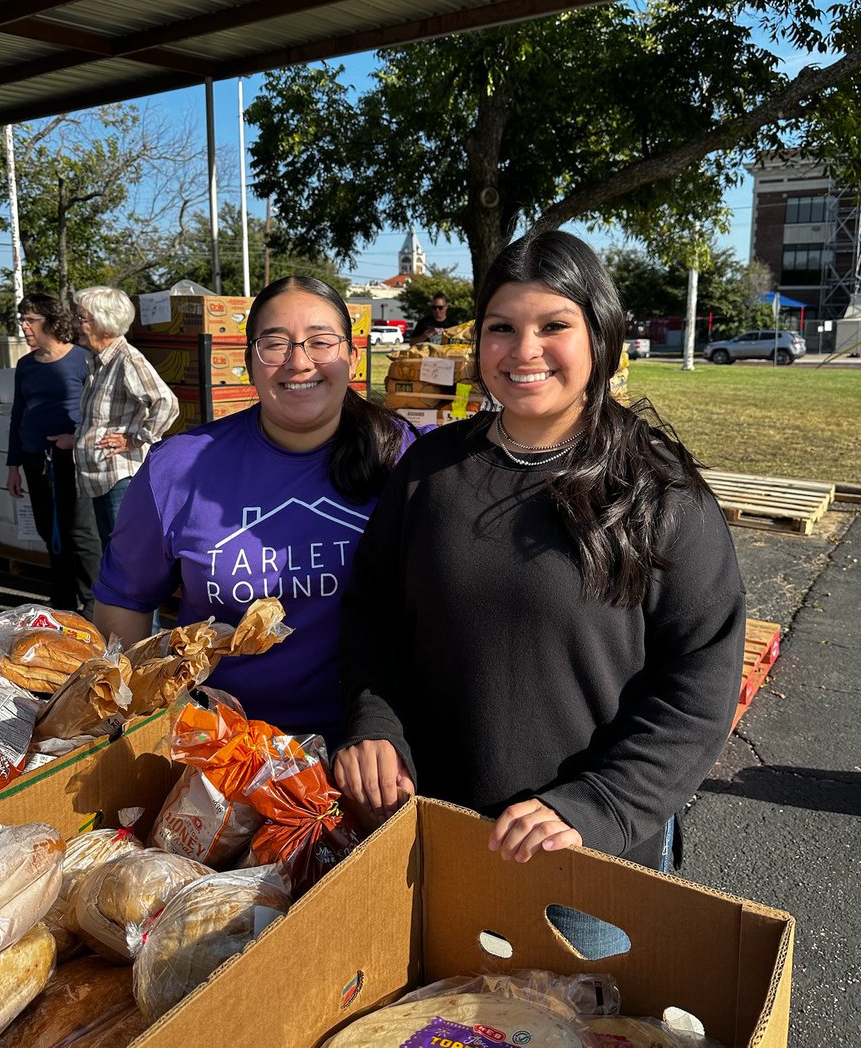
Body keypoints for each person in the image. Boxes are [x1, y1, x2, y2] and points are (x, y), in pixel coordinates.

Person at [335, 230, 745, 875]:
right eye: (501, 328)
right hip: (431, 836)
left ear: (600, 337)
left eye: (554, 324)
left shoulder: (656, 488)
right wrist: (373, 722)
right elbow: (371, 614)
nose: (525, 351)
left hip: (590, 857)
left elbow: (700, 680)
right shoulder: (429, 470)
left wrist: (598, 804)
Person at [91, 276, 418, 748]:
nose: (299, 362)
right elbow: (124, 602)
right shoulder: (176, 468)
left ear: (354, 356)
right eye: (274, 344)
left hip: (372, 750)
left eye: (321, 342)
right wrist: (143, 728)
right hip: (219, 755)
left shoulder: (403, 455)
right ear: (248, 362)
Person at [50, 287, 179, 549]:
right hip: (99, 477)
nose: (76, 324)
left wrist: (135, 439)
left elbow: (166, 403)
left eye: (82, 319)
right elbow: (102, 418)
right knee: (114, 553)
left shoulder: (127, 359)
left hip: (120, 478)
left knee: (127, 554)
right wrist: (78, 439)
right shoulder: (97, 361)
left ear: (105, 324)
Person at [6, 293, 102, 616]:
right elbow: (17, 414)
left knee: (81, 531)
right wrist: (13, 464)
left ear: (49, 321)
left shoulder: (82, 359)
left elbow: (96, 412)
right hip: (36, 459)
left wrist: (76, 439)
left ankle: (93, 603)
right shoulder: (25, 366)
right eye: (23, 320)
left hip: (71, 458)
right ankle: (62, 600)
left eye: (30, 319)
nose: (24, 326)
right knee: (50, 530)